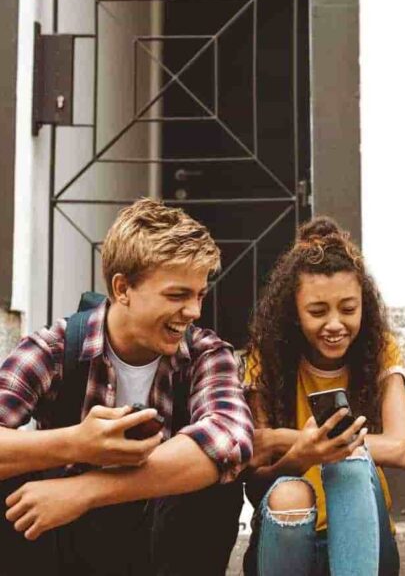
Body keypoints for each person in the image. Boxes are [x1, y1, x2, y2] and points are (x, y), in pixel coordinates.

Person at [0, 198, 253, 575]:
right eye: (177, 295)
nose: (195, 311)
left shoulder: (206, 354)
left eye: (199, 294)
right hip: (68, 547)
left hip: (163, 546)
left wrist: (87, 491)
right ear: (123, 289)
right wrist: (76, 443)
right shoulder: (55, 347)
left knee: (217, 479)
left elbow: (230, 439)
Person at [242, 216, 405, 576]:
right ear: (293, 312)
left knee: (348, 465)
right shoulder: (266, 357)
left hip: (366, 539)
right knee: (290, 492)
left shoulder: (380, 350)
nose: (335, 324)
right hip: (288, 536)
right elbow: (255, 470)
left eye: (348, 309)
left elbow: (399, 448)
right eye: (317, 312)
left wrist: (290, 440)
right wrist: (300, 456)